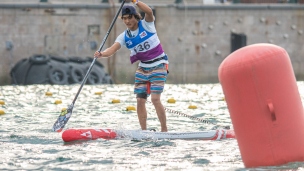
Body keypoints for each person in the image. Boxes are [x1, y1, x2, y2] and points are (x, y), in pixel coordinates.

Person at [94, 0, 169, 132]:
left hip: (159, 64)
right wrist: (102, 54)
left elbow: (149, 11)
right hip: (143, 68)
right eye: (124, 19)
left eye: (129, 18)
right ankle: (144, 131)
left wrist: (135, 1)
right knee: (140, 100)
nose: (127, 21)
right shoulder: (124, 36)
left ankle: (164, 130)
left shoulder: (147, 25)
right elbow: (112, 49)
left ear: (135, 16)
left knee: (155, 99)